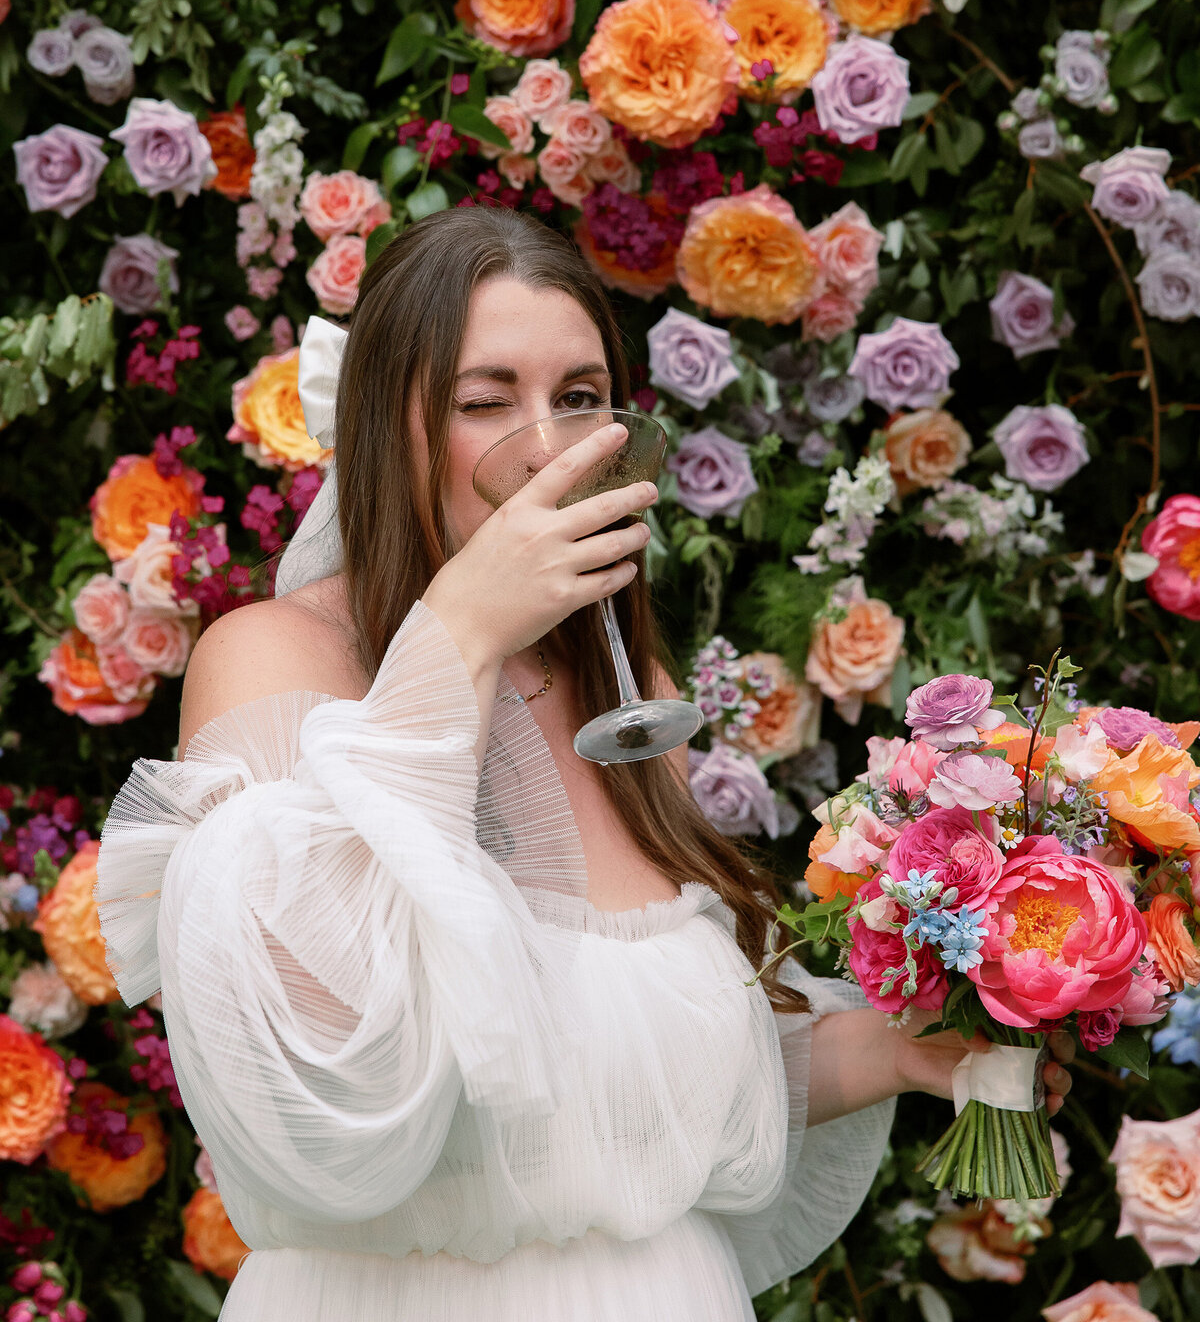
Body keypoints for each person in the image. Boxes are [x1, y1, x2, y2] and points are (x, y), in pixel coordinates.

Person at [95, 206, 1072, 1322]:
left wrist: (909, 1049)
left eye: (579, 398)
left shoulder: (625, 687)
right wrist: (458, 637)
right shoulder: (275, 659)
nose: (550, 450)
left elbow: (649, 1087)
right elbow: (319, 1080)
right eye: (484, 402)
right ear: (385, 428)